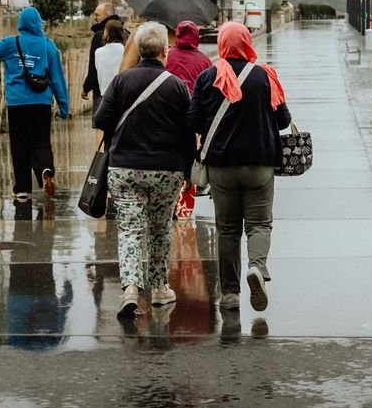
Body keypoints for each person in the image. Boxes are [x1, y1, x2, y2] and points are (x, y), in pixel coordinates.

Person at [189, 22, 293, 314]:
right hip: (260, 163)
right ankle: (257, 268)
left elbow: (193, 121)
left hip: (222, 165)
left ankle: (231, 294)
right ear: (247, 42)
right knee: (259, 224)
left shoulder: (207, 77)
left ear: (222, 44)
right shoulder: (265, 76)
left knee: (228, 230)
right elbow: (283, 120)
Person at [93, 21, 195, 321]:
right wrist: (189, 171)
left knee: (130, 230)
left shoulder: (122, 82)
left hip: (125, 168)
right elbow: (188, 133)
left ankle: (130, 290)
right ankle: (160, 287)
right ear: (166, 50)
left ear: (137, 50)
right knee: (160, 229)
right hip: (166, 170)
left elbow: (101, 119)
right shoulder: (177, 86)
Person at [0, 7, 70, 202]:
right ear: (38, 23)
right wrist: (64, 107)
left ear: (21, 24)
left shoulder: (11, 43)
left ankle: (23, 189)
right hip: (41, 103)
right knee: (41, 142)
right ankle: (46, 170)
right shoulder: (48, 46)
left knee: (19, 145)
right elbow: (57, 78)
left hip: (17, 103)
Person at [163, 21, 213, 218]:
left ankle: (168, 196)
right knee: (189, 155)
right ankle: (188, 191)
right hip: (192, 116)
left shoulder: (167, 55)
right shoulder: (204, 61)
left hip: (166, 115)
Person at [82, 3, 121, 104]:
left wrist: (86, 88)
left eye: (97, 15)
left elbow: (94, 67)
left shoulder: (101, 36)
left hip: (102, 93)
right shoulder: (126, 34)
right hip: (121, 92)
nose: (95, 18)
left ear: (106, 16)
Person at [93, 20, 128, 85]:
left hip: (105, 91)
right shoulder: (125, 50)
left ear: (106, 32)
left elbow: (97, 68)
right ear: (121, 32)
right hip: (122, 89)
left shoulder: (98, 52)